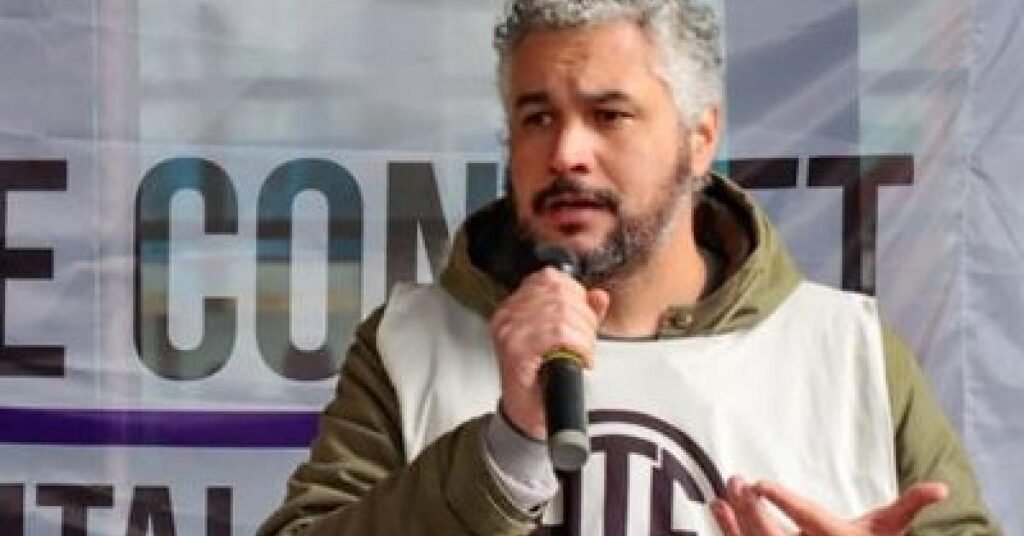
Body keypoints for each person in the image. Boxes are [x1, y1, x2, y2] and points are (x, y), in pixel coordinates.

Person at [257, 0, 1001, 534]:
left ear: (699, 140)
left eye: (609, 114)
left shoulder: (848, 351)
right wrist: (504, 449)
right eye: (537, 117)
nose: (566, 153)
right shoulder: (410, 342)